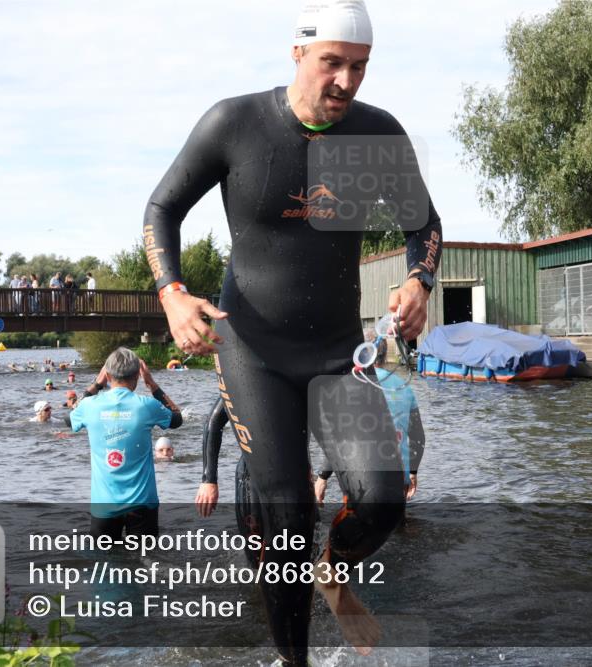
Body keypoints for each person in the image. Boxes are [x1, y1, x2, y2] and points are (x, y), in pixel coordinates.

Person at [143, 2, 442, 663]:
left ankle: (331, 569)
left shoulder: (376, 135)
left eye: (358, 67)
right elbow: (162, 208)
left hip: (338, 351)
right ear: (298, 53)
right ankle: (294, 660)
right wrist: (172, 294)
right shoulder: (236, 123)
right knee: (285, 518)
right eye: (331, 62)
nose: (344, 81)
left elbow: (425, 224)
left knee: (383, 499)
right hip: (252, 348)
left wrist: (420, 279)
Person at [68, 348, 183, 538]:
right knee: (146, 561)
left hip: (104, 504)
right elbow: (177, 419)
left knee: (102, 562)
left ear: (107, 374)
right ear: (138, 374)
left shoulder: (89, 406)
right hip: (142, 503)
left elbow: (68, 419)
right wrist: (152, 384)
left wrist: (96, 384)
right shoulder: (147, 405)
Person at [315, 338, 425, 504]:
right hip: (399, 475)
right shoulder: (404, 386)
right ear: (384, 354)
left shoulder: (353, 384)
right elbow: (418, 438)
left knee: (359, 525)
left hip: (362, 477)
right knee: (396, 525)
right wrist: (412, 472)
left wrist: (323, 477)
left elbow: (341, 439)